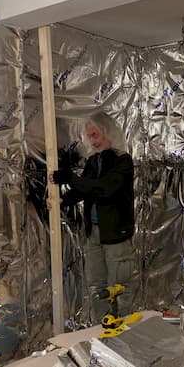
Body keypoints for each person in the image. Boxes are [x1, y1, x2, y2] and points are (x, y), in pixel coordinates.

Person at [48, 112, 136, 322]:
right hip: (94, 232)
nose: (93, 141)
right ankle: (102, 330)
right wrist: (62, 200)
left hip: (115, 235)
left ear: (107, 132)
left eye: (95, 135)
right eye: (90, 136)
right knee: (96, 285)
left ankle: (125, 334)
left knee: (119, 288)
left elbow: (104, 188)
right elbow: (83, 190)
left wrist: (70, 177)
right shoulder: (93, 161)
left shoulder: (122, 161)